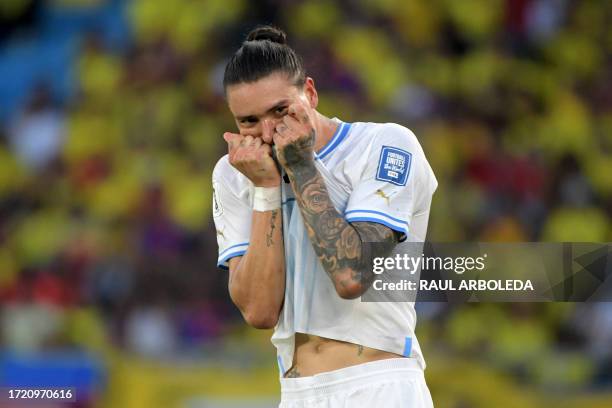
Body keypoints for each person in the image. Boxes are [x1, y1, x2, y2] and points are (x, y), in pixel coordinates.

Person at [212, 25, 437, 407]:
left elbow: (352, 275)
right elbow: (259, 311)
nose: (268, 131)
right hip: (298, 393)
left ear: (310, 94)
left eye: (280, 110)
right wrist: (266, 190)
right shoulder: (236, 174)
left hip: (380, 385)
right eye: (248, 121)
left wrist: (300, 167)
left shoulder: (384, 145)